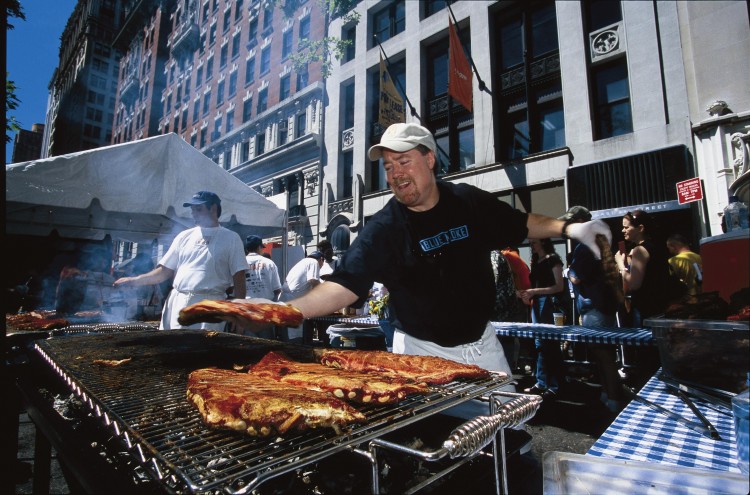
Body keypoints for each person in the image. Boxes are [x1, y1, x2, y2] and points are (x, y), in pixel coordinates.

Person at [221, 123, 611, 403]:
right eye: (388, 167)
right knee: (430, 439)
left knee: (502, 429)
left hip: (481, 344)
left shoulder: (467, 201)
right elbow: (345, 284)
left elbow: (520, 222)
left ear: (429, 158)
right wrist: (286, 311)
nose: (394, 174)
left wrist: (569, 228)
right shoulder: (385, 227)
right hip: (420, 352)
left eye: (403, 161)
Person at [113, 191, 247, 330]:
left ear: (213, 208)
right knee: (172, 348)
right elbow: (163, 272)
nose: (193, 213)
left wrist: (240, 315)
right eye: (192, 209)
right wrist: (133, 281)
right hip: (178, 302)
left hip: (211, 306)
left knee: (204, 349)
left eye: (198, 209)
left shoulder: (231, 238)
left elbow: (239, 278)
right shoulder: (184, 236)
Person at [563, 206, 625, 412]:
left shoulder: (585, 247)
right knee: (605, 355)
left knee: (603, 356)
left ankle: (614, 398)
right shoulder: (598, 241)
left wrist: (569, 270)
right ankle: (609, 393)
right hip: (603, 306)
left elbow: (576, 277)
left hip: (593, 308)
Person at [520, 238, 566, 399]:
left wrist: (534, 292)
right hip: (538, 304)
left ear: (543, 242)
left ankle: (555, 384)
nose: (531, 245)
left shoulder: (553, 259)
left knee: (550, 343)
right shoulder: (536, 260)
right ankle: (542, 382)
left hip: (549, 304)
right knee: (540, 343)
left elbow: (559, 286)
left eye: (534, 242)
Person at [279, 251, 325, 340]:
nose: (321, 266)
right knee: (295, 337)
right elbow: (313, 281)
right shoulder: (313, 262)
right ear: (321, 259)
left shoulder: (302, 262)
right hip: (295, 301)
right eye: (322, 264)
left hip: (285, 300)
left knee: (286, 336)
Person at [244, 235, 282, 338]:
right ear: (259, 247)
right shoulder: (269, 263)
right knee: (266, 344)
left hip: (246, 309)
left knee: (248, 344)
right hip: (265, 309)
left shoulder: (240, 263)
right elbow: (277, 289)